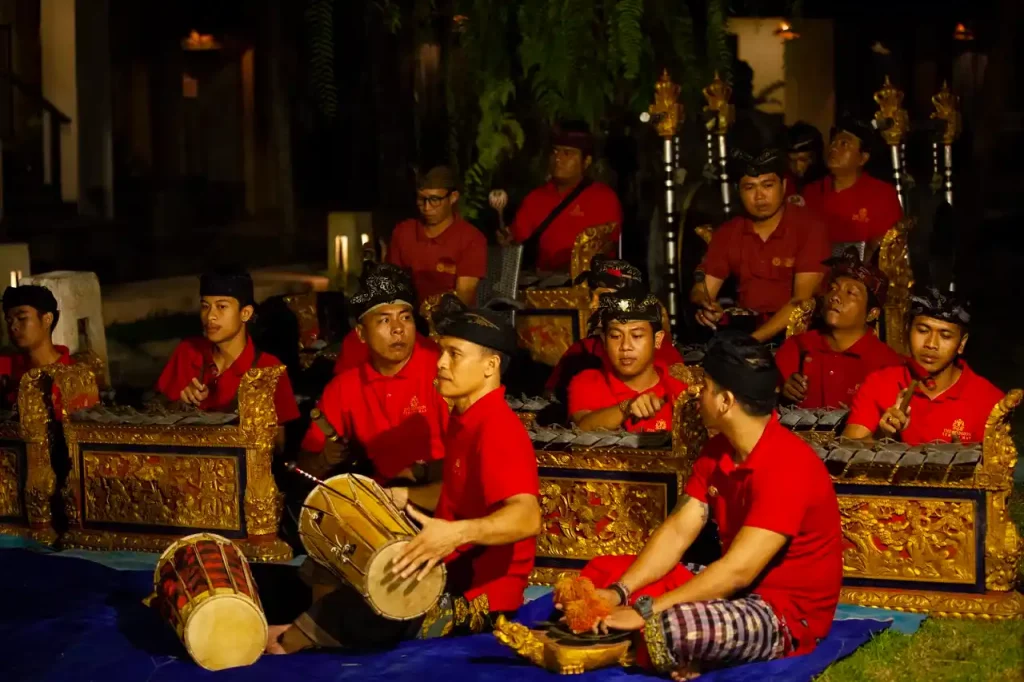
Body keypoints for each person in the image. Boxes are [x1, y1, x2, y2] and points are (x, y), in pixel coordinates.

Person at [565, 332, 842, 678]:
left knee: (674, 628)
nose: (698, 395)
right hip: (736, 592)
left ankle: (636, 645)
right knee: (605, 571)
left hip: (783, 613)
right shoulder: (718, 451)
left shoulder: (787, 465)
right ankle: (650, 642)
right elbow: (679, 530)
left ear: (725, 401)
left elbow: (738, 571)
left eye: (706, 387)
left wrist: (646, 612)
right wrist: (621, 593)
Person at [266, 305, 541, 654]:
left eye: (454, 355)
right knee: (310, 572)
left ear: (490, 366)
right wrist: (399, 496)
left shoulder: (498, 429)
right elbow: (462, 493)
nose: (441, 363)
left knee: (354, 611)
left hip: (482, 600)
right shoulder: (464, 418)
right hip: (446, 570)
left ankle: (288, 639)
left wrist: (457, 532)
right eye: (442, 351)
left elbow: (527, 515)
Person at [298, 262, 448, 483]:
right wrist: (324, 459)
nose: (398, 328)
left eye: (405, 317)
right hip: (375, 502)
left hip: (439, 498)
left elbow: (473, 456)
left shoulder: (442, 371)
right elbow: (304, 468)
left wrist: (418, 474)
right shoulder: (344, 387)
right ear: (361, 334)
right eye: (385, 320)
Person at [690, 148, 831, 343]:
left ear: (783, 185)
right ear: (738, 191)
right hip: (745, 327)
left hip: (797, 334)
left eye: (767, 185)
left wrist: (751, 342)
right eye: (749, 187)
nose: (759, 196)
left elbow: (802, 303)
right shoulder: (730, 231)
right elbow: (702, 289)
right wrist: (706, 306)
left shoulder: (809, 227)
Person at [843, 287, 1002, 444]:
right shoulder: (879, 384)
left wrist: (964, 460)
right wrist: (881, 436)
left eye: (945, 336)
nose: (931, 344)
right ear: (907, 331)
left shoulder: (989, 401)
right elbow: (846, 453)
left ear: (962, 343)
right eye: (922, 331)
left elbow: (996, 467)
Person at [155, 271, 299, 424]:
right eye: (205, 306)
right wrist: (182, 404)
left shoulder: (268, 369)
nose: (210, 316)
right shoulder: (188, 351)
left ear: (245, 313)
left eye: (221, 306)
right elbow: (153, 413)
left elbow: (279, 440)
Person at [775, 250, 903, 409]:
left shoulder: (886, 364)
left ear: (872, 313)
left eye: (850, 293)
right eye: (833, 288)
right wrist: (781, 392)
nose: (835, 296)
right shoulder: (798, 347)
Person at [544, 257, 684, 402]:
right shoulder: (582, 349)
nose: (593, 305)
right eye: (593, 297)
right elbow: (551, 396)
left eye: (603, 297)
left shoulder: (660, 352)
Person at [505, 121, 623, 271]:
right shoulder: (535, 198)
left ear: (586, 162)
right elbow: (518, 240)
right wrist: (508, 242)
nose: (558, 159)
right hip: (544, 283)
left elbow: (606, 245)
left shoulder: (604, 198)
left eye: (567, 153)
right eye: (555, 152)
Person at [567, 291, 687, 433]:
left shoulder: (680, 383)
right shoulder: (588, 382)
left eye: (636, 336)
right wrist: (626, 407)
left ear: (658, 340)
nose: (625, 346)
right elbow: (581, 427)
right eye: (615, 336)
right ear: (604, 341)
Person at [803, 117, 903, 257]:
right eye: (833, 142)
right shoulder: (811, 192)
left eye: (844, 144)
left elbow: (887, 249)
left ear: (863, 158)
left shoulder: (882, 195)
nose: (834, 148)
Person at [388, 165, 488, 305]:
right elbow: (391, 285)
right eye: (421, 199)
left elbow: (464, 295)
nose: (427, 207)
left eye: (434, 200)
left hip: (452, 319)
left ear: (453, 197)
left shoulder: (471, 239)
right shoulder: (403, 232)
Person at [0, 285, 92, 417]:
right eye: (9, 320)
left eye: (22, 318)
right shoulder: (6, 368)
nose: (13, 326)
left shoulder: (75, 376)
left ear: (47, 319)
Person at [785, 121, 826, 196]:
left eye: (803, 160)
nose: (797, 167)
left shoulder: (827, 186)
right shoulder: (783, 182)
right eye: (792, 160)